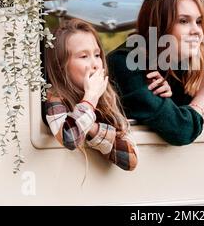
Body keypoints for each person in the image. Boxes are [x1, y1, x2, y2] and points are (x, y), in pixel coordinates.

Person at [107, 0, 204, 146]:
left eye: (199, 21)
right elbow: (181, 130)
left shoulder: (176, 66)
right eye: (183, 21)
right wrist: (203, 97)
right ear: (158, 24)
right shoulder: (125, 62)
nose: (197, 31)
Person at [45, 18, 145, 171]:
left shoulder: (106, 98)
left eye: (97, 55)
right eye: (83, 56)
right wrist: (90, 100)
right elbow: (69, 137)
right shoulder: (54, 97)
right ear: (61, 66)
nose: (95, 64)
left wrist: (91, 128)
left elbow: (131, 160)